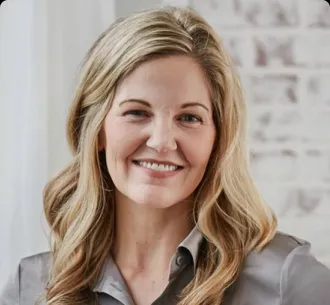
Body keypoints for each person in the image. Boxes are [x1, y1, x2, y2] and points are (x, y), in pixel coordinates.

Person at [1, 5, 330, 305]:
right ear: (96, 128)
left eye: (189, 118)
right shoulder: (31, 288)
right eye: (137, 112)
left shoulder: (286, 281)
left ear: (218, 137)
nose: (161, 141)